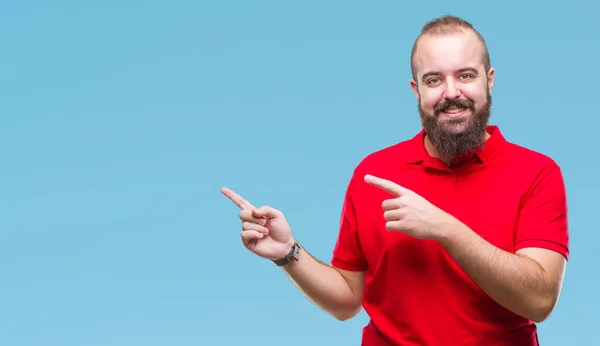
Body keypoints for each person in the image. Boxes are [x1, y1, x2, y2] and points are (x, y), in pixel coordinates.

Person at [221, 14, 569, 346]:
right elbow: (347, 301)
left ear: (488, 80)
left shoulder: (536, 173)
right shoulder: (374, 174)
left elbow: (539, 300)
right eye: (434, 80)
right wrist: (287, 253)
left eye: (465, 75)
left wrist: (445, 229)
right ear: (416, 89)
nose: (451, 92)